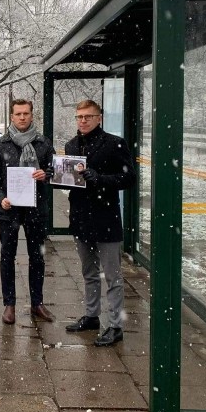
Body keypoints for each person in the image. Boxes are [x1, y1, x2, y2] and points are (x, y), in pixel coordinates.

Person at [61, 99, 136, 346]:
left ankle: (115, 326)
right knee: (88, 272)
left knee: (112, 276)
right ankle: (92, 315)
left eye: (88, 117)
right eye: (79, 117)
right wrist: (56, 177)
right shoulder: (71, 144)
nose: (83, 121)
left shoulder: (115, 143)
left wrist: (99, 178)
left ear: (99, 118)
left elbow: (129, 179)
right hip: (81, 218)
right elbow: (69, 181)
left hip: (106, 218)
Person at [0, 99, 55, 324]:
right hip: (9, 210)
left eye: (26, 113)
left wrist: (45, 174)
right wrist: (1, 198)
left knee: (37, 257)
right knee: (7, 256)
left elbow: (55, 171)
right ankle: (9, 304)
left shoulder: (43, 144)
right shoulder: (1, 144)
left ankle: (37, 303)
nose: (22, 117)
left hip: (36, 208)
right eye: (18, 114)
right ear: (12, 116)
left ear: (32, 116)